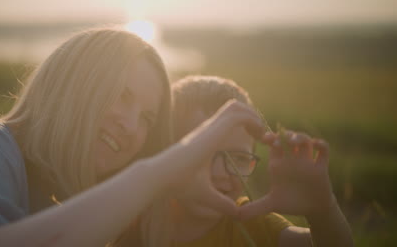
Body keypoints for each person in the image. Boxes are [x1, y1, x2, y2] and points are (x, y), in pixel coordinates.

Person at [0, 29, 266, 247]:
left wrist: (319, 211)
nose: (132, 126)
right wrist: (157, 172)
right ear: (73, 84)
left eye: (148, 118)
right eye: (122, 95)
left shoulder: (51, 200)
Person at [125, 75, 354, 247]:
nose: (219, 173)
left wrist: (322, 210)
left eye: (239, 158)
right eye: (201, 154)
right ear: (167, 152)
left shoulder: (254, 224)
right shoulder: (130, 221)